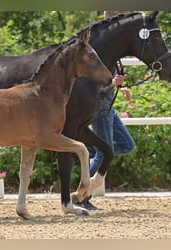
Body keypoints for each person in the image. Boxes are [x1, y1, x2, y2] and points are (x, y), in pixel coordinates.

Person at [77, 11, 136, 210]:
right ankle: (82, 197)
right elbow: (88, 85)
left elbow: (108, 80)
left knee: (128, 145)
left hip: (110, 108)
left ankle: (90, 152)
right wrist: (112, 84)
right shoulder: (98, 51)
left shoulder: (111, 50)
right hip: (100, 108)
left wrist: (120, 86)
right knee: (104, 153)